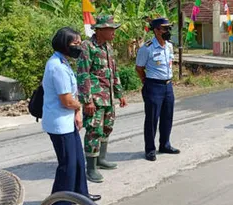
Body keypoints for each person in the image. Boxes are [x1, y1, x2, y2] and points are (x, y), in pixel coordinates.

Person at [42, 27, 101, 205]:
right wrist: (81, 106)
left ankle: (80, 194)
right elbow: (66, 100)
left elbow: (71, 97)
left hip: (67, 121)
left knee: (77, 161)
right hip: (59, 123)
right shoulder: (57, 66)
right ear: (64, 44)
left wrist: (78, 112)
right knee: (67, 165)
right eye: (75, 43)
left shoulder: (63, 62)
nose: (78, 46)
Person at [77, 15, 127, 183]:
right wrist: (87, 100)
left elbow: (114, 72)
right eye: (110, 29)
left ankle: (101, 159)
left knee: (107, 128)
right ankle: (91, 168)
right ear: (99, 30)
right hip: (96, 99)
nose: (113, 32)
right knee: (93, 131)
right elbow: (83, 74)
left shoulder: (108, 47)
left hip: (109, 97)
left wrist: (120, 94)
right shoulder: (87, 47)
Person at [136, 18, 180, 162]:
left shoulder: (169, 46)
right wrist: (146, 81)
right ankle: (150, 149)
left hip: (168, 86)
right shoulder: (147, 48)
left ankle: (165, 145)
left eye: (168, 28)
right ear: (156, 30)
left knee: (167, 116)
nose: (168, 31)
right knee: (152, 119)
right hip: (153, 86)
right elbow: (139, 68)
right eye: (164, 29)